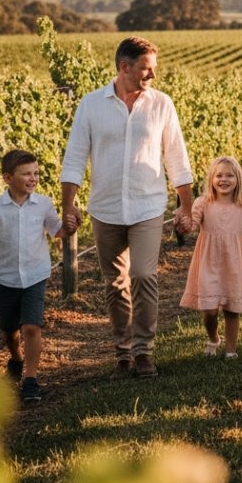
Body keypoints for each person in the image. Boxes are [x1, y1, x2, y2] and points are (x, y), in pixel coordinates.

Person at [60, 37, 193, 378]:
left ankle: (144, 350)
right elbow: (74, 157)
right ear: (124, 66)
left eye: (153, 68)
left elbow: (176, 158)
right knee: (114, 281)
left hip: (148, 205)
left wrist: (185, 207)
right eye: (146, 68)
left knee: (144, 275)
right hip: (104, 207)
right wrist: (69, 205)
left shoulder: (162, 104)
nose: (152, 75)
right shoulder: (91, 106)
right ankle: (123, 352)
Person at [0, 149, 66, 403]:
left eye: (36, 173)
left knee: (31, 326)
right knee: (8, 329)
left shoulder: (44, 204)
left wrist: (70, 226)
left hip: (36, 275)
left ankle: (30, 379)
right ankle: (16, 359)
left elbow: (57, 231)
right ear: (8, 178)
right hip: (6, 277)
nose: (33, 178)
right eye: (26, 173)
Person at [181, 157, 242, 359]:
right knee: (209, 309)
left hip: (233, 263)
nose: (223, 180)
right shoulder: (203, 203)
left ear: (238, 179)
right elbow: (191, 226)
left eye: (229, 175)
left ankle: (230, 350)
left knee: (231, 308)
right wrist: (183, 223)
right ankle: (213, 338)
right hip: (209, 261)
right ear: (211, 179)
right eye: (219, 175)